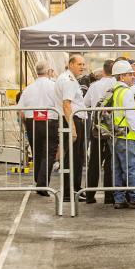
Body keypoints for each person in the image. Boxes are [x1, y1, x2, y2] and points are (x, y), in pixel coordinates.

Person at [107, 60, 135, 209]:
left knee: (119, 169)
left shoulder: (115, 91)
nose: (132, 77)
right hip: (128, 136)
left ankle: (119, 199)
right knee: (132, 169)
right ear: (121, 76)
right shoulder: (126, 92)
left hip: (118, 135)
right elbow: (131, 116)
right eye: (129, 74)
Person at [18, 60, 60, 196]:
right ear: (49, 71)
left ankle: (38, 179)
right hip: (50, 120)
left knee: (37, 152)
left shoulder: (28, 88)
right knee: (49, 153)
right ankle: (42, 185)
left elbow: (21, 111)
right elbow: (60, 104)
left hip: (32, 121)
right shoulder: (54, 86)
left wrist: (25, 126)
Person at [83, 59, 117, 204]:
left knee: (94, 162)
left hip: (97, 127)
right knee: (110, 161)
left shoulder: (94, 86)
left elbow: (85, 104)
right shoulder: (118, 86)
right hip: (113, 128)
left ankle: (90, 195)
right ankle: (109, 196)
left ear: (103, 71)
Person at [56, 54, 87, 202]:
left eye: (83, 64)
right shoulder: (68, 81)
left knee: (77, 157)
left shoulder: (69, 79)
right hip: (72, 120)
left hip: (73, 119)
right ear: (71, 64)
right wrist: (73, 128)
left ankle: (75, 189)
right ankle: (69, 192)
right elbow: (66, 105)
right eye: (79, 64)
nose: (83, 67)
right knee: (73, 157)